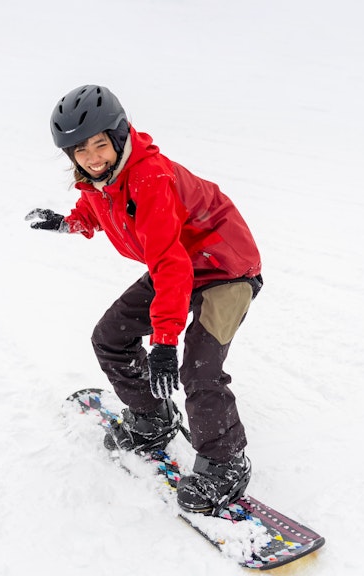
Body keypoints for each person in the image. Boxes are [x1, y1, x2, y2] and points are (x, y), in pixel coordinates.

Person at [27, 84, 263, 515]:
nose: (93, 157)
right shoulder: (101, 180)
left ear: (119, 137)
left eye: (100, 144)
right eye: (81, 151)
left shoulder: (149, 177)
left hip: (224, 268)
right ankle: (153, 417)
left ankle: (227, 464)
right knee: (110, 337)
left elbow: (171, 264)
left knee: (199, 368)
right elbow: (98, 210)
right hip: (177, 262)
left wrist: (166, 343)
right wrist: (66, 224)